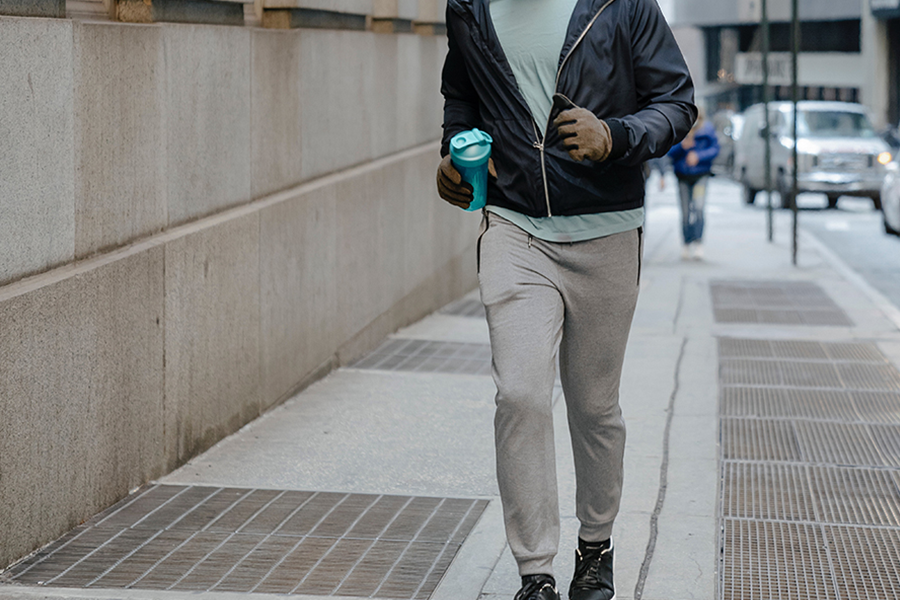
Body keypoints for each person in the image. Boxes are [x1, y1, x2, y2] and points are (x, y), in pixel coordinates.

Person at [436, 1, 696, 599]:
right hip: (514, 224)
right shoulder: (471, 6)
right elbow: (462, 92)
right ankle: (536, 573)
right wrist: (453, 153)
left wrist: (615, 136)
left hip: (606, 230)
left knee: (594, 407)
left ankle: (596, 546)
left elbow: (678, 103)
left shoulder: (623, 3)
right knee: (521, 394)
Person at [667, 108, 719, 260]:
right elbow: (669, 152)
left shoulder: (707, 130)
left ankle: (698, 242)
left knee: (698, 208)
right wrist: (681, 146)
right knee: (685, 212)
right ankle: (686, 242)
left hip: (700, 176)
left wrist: (699, 156)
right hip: (683, 176)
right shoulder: (680, 130)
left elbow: (715, 149)